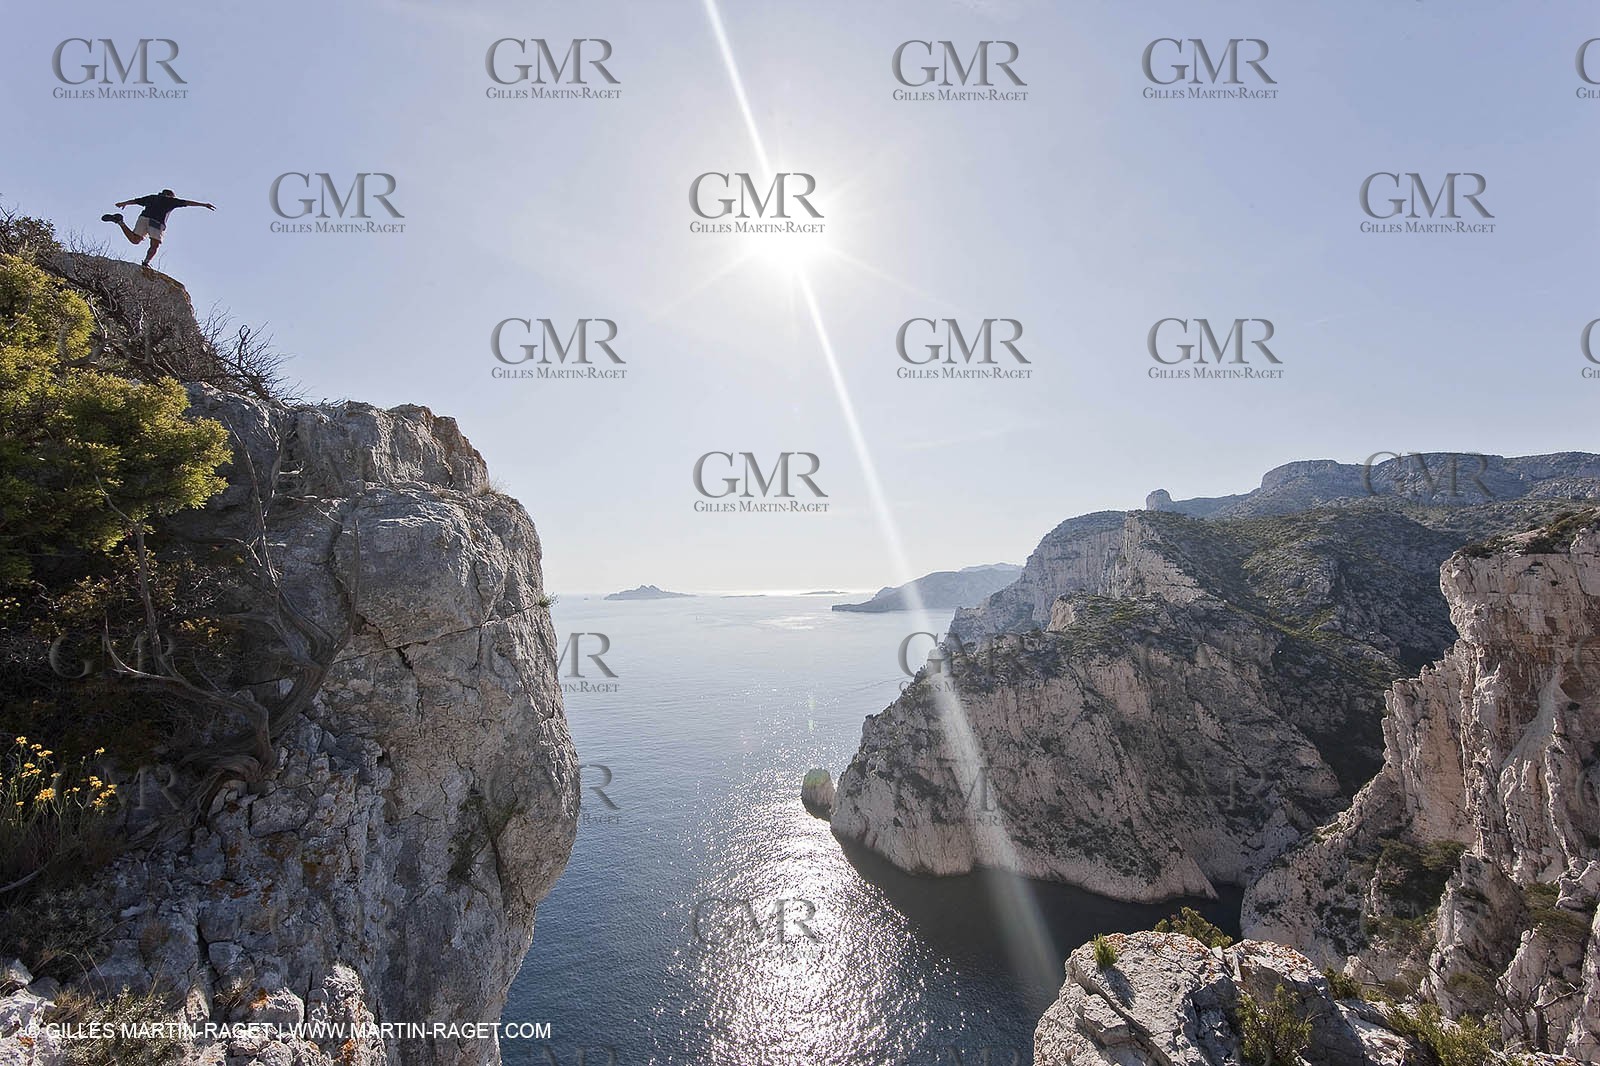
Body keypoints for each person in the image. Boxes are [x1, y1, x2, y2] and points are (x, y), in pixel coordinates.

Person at [101, 189, 215, 267]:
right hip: (156, 222)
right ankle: (146, 262)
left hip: (143, 218)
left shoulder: (152, 197)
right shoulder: (171, 200)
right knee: (154, 244)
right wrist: (204, 204)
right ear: (170, 195)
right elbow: (188, 202)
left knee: (135, 240)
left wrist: (123, 203)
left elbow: (136, 200)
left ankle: (120, 222)